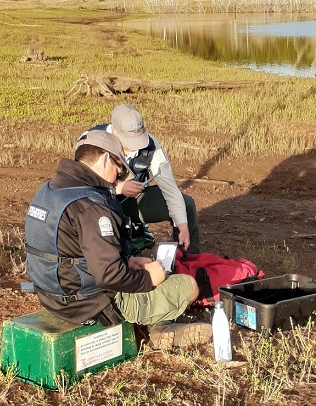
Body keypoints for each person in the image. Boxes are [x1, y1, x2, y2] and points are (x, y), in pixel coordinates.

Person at [24, 128, 210, 348]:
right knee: (187, 285)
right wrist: (149, 279)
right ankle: (158, 327)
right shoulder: (92, 207)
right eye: (119, 167)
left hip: (52, 297)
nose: (119, 175)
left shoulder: (49, 189)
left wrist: (128, 261)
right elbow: (109, 276)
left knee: (142, 271)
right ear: (104, 159)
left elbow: (73, 251)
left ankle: (157, 324)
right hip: (89, 305)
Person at [98, 104, 201, 254]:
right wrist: (117, 187)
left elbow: (170, 190)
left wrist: (183, 228)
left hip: (132, 201)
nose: (135, 146)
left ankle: (188, 263)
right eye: (128, 139)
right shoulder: (93, 140)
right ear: (114, 131)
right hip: (99, 203)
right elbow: (80, 184)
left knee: (186, 204)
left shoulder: (152, 146)